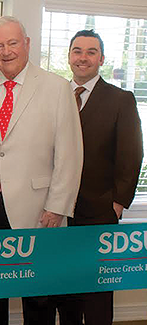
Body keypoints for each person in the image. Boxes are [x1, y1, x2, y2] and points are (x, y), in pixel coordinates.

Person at [0, 16, 83, 325]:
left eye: (13, 43)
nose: (6, 51)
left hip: (39, 210)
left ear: (27, 44)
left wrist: (58, 206)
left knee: (39, 297)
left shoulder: (56, 88)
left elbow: (70, 154)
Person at [52, 29, 143, 325]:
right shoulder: (54, 97)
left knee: (97, 294)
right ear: (69, 56)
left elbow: (131, 156)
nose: (83, 57)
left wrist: (117, 204)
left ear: (101, 59)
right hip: (57, 211)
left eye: (91, 52)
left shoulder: (121, 99)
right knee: (64, 290)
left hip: (99, 211)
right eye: (77, 51)